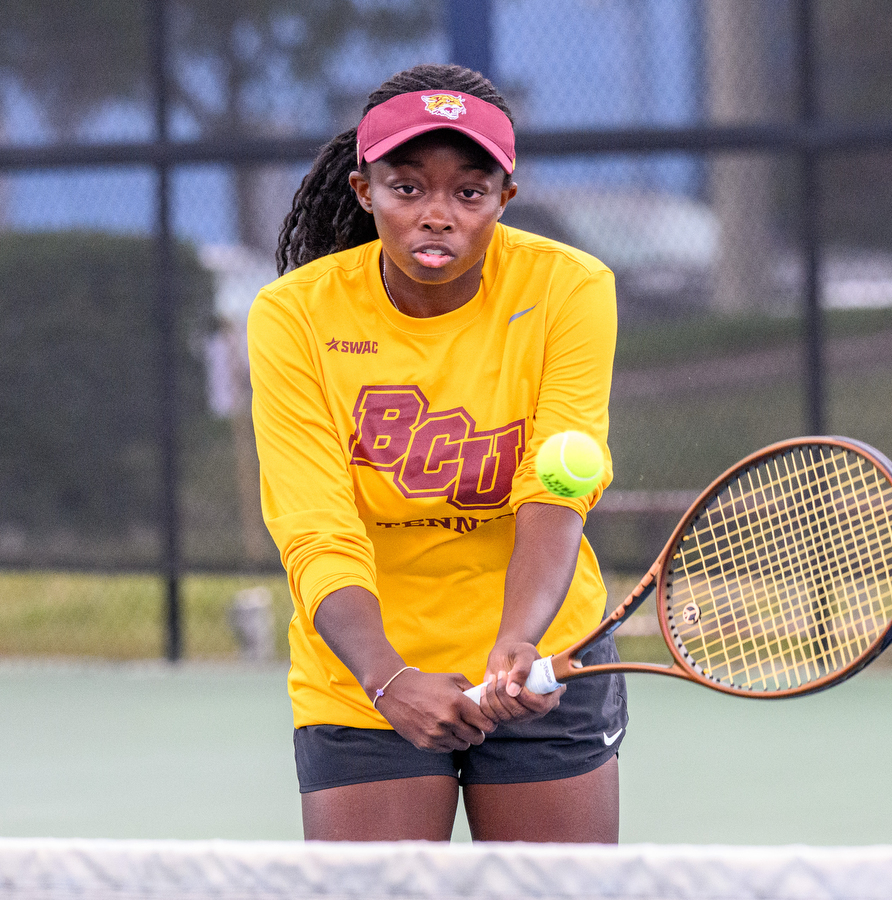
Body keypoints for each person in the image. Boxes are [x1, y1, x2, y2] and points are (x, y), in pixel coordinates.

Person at [248, 63, 625, 842]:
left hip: (540, 661)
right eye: (408, 187)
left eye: (469, 191)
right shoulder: (293, 316)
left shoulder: (569, 288)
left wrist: (520, 642)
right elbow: (315, 526)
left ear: (504, 201)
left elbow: (556, 484)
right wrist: (387, 678)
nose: (438, 215)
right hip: (362, 671)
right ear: (364, 192)